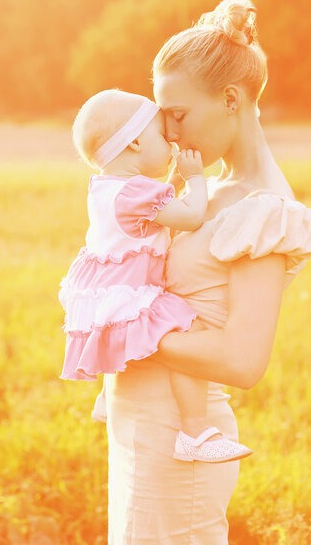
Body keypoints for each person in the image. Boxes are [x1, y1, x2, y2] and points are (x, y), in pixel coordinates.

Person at [103, 0, 311, 543]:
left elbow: (243, 360)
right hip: (143, 427)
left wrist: (124, 331)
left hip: (184, 442)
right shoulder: (208, 193)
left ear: (229, 99)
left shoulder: (264, 209)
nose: (170, 135)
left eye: (178, 114)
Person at [58, 88, 253, 463]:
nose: (172, 143)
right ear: (134, 143)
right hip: (132, 290)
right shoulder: (136, 191)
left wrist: (176, 182)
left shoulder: (106, 187)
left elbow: (161, 210)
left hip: (107, 291)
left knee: (125, 329)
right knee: (185, 332)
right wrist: (195, 178)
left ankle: (105, 398)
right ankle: (195, 430)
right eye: (162, 137)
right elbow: (190, 216)